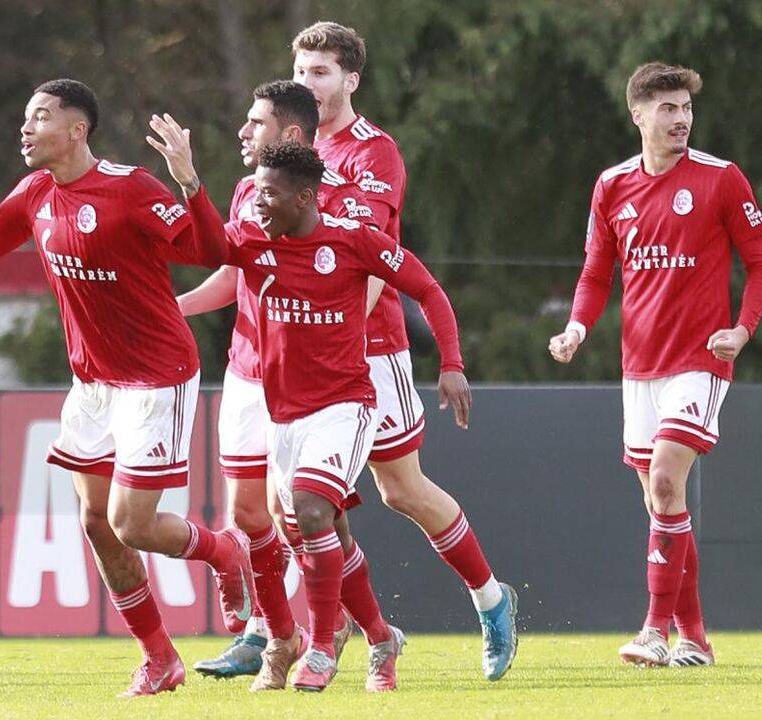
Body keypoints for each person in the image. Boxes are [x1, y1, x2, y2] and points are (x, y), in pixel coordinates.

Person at [0, 79, 253, 697]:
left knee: (132, 524)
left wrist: (189, 182)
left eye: (40, 117)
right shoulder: (37, 191)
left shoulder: (130, 189)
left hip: (157, 377)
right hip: (94, 382)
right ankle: (160, 658)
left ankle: (224, 552)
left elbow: (214, 248)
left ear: (77, 130)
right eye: (26, 116)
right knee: (96, 522)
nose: (26, 128)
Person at [172, 139, 472, 691]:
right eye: (256, 192)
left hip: (346, 407)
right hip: (284, 417)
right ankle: (381, 637)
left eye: (269, 194)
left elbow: (427, 288)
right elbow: (206, 244)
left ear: (306, 196)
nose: (258, 204)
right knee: (326, 529)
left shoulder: (354, 241)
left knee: (310, 511)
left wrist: (450, 362)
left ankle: (319, 649)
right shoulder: (255, 241)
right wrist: (191, 183)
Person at [292, 20, 517, 681]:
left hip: (371, 348)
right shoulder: (287, 148)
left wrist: (341, 336)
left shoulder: (373, 153)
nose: (309, 83)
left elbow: (366, 264)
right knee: (308, 503)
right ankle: (341, 633)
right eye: (301, 71)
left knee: (401, 491)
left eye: (322, 72)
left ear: (350, 79)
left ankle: (491, 600)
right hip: (303, 353)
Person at [548, 62, 762, 667]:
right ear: (638, 114)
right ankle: (695, 639)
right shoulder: (611, 185)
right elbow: (597, 273)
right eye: (668, 109)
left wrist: (741, 330)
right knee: (661, 503)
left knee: (669, 481)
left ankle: (652, 629)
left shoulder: (721, 179)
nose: (681, 119)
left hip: (700, 359)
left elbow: (761, 266)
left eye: (686, 109)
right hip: (639, 366)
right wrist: (576, 327)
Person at [174, 79, 378, 688]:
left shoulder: (340, 204)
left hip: (317, 382)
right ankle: (275, 636)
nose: (243, 132)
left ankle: (340, 631)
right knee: (250, 513)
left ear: (289, 135)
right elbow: (231, 269)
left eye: (254, 123)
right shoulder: (247, 192)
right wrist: (175, 307)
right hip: (246, 371)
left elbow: (377, 274)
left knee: (316, 515)